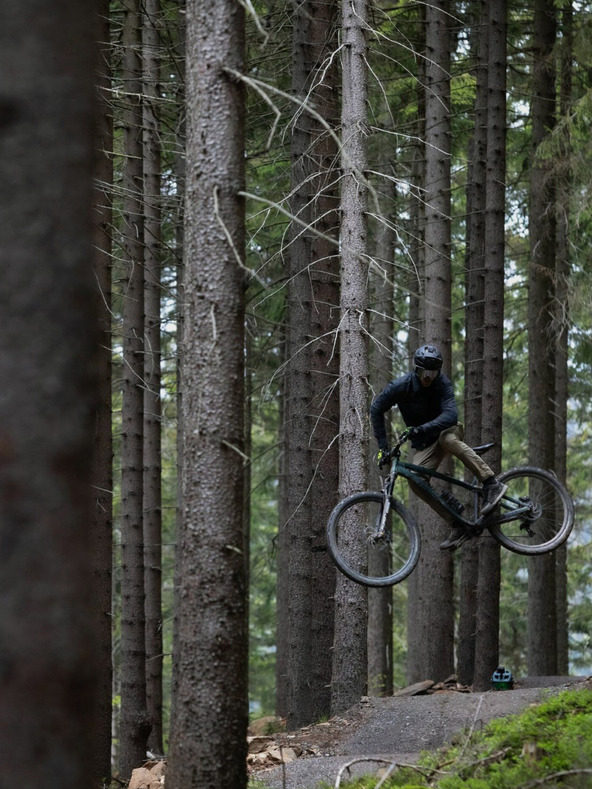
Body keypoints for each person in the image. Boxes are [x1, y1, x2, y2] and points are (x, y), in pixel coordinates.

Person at [369, 343, 507, 550]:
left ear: (438, 371)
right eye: (424, 371)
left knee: (447, 440)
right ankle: (457, 523)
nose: (428, 376)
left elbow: (451, 415)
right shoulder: (400, 386)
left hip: (448, 431)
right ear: (416, 369)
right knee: (415, 482)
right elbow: (376, 409)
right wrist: (382, 447)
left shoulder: (442, 383)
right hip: (426, 442)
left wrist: (421, 428)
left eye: (433, 371)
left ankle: (491, 483)